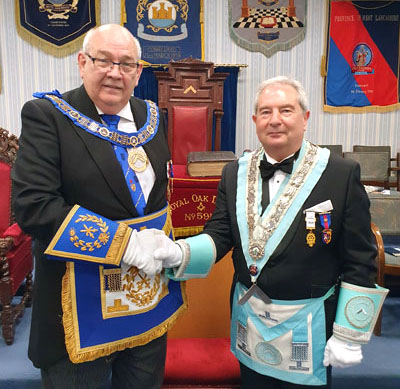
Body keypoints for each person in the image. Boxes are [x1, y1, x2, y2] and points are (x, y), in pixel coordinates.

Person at [155, 76, 388, 388]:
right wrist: (181, 252)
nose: (275, 120)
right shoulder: (234, 172)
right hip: (249, 320)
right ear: (254, 121)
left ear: (305, 119)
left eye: (286, 110)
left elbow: (360, 258)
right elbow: (220, 234)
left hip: (310, 323)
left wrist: (349, 334)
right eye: (265, 112)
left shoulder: (340, 173)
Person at [12, 24, 183, 388]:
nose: (114, 72)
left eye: (126, 64)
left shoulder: (151, 116)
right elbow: (34, 207)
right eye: (103, 60)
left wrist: (164, 241)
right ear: (82, 62)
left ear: (138, 72)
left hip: (145, 304)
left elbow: (155, 196)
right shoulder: (48, 116)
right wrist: (125, 244)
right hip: (78, 310)